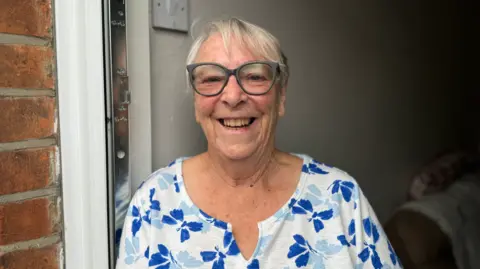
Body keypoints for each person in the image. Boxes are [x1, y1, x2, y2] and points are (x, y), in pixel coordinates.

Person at [116, 17, 402, 269]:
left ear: (281, 96)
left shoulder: (340, 197)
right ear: (195, 101)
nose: (232, 96)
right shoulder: (154, 201)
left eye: (253, 77)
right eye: (212, 78)